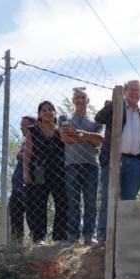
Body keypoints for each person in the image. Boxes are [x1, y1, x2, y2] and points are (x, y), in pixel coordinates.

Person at [94, 80, 140, 242]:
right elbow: (98, 118)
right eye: (132, 89)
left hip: (136, 163)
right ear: (125, 91)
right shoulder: (116, 107)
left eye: (138, 90)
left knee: (129, 201)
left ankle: (124, 236)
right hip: (115, 160)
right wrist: (116, 102)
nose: (135, 93)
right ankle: (103, 235)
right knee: (109, 198)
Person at [60, 88, 104, 245]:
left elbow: (99, 141)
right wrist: (88, 137)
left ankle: (89, 236)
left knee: (91, 202)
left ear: (88, 100)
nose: (80, 100)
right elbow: (65, 138)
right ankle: (73, 236)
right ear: (73, 100)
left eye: (83, 97)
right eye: (77, 97)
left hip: (91, 164)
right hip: (71, 164)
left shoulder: (97, 121)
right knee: (72, 202)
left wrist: (77, 133)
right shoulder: (64, 117)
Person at [23, 101, 67, 245]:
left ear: (55, 113)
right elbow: (27, 154)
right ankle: (39, 238)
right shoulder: (32, 130)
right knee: (39, 204)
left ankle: (59, 237)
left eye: (50, 110)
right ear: (39, 115)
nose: (47, 112)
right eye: (44, 110)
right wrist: (26, 173)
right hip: (39, 171)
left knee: (62, 202)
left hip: (59, 172)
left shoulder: (61, 131)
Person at [9, 115, 37, 243]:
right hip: (17, 187)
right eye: (21, 125)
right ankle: (16, 242)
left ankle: (35, 240)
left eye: (25, 125)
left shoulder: (37, 141)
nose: (21, 127)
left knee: (32, 213)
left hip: (27, 184)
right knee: (15, 213)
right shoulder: (24, 143)